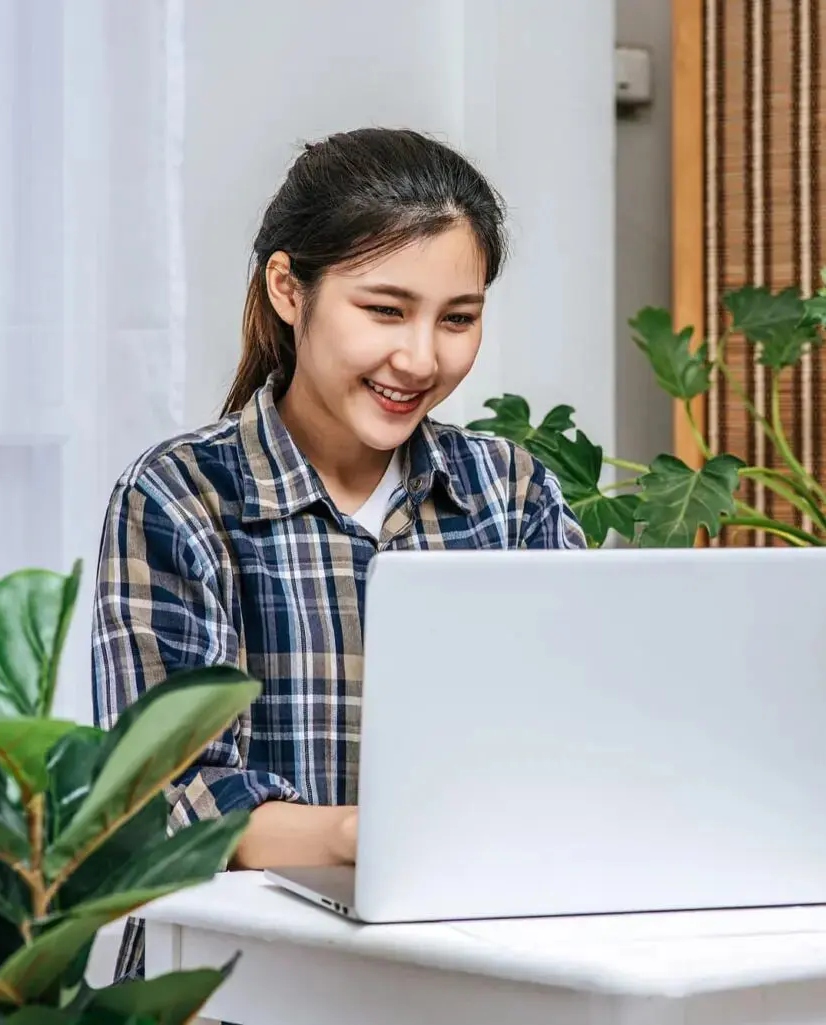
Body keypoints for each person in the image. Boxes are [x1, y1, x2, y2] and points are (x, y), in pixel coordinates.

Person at [90, 127, 587, 981]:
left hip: (480, 971)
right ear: (290, 289)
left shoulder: (513, 494)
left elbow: (586, 739)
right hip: (229, 982)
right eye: (385, 310)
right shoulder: (180, 497)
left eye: (458, 319)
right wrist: (361, 834)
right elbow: (165, 803)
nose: (421, 358)